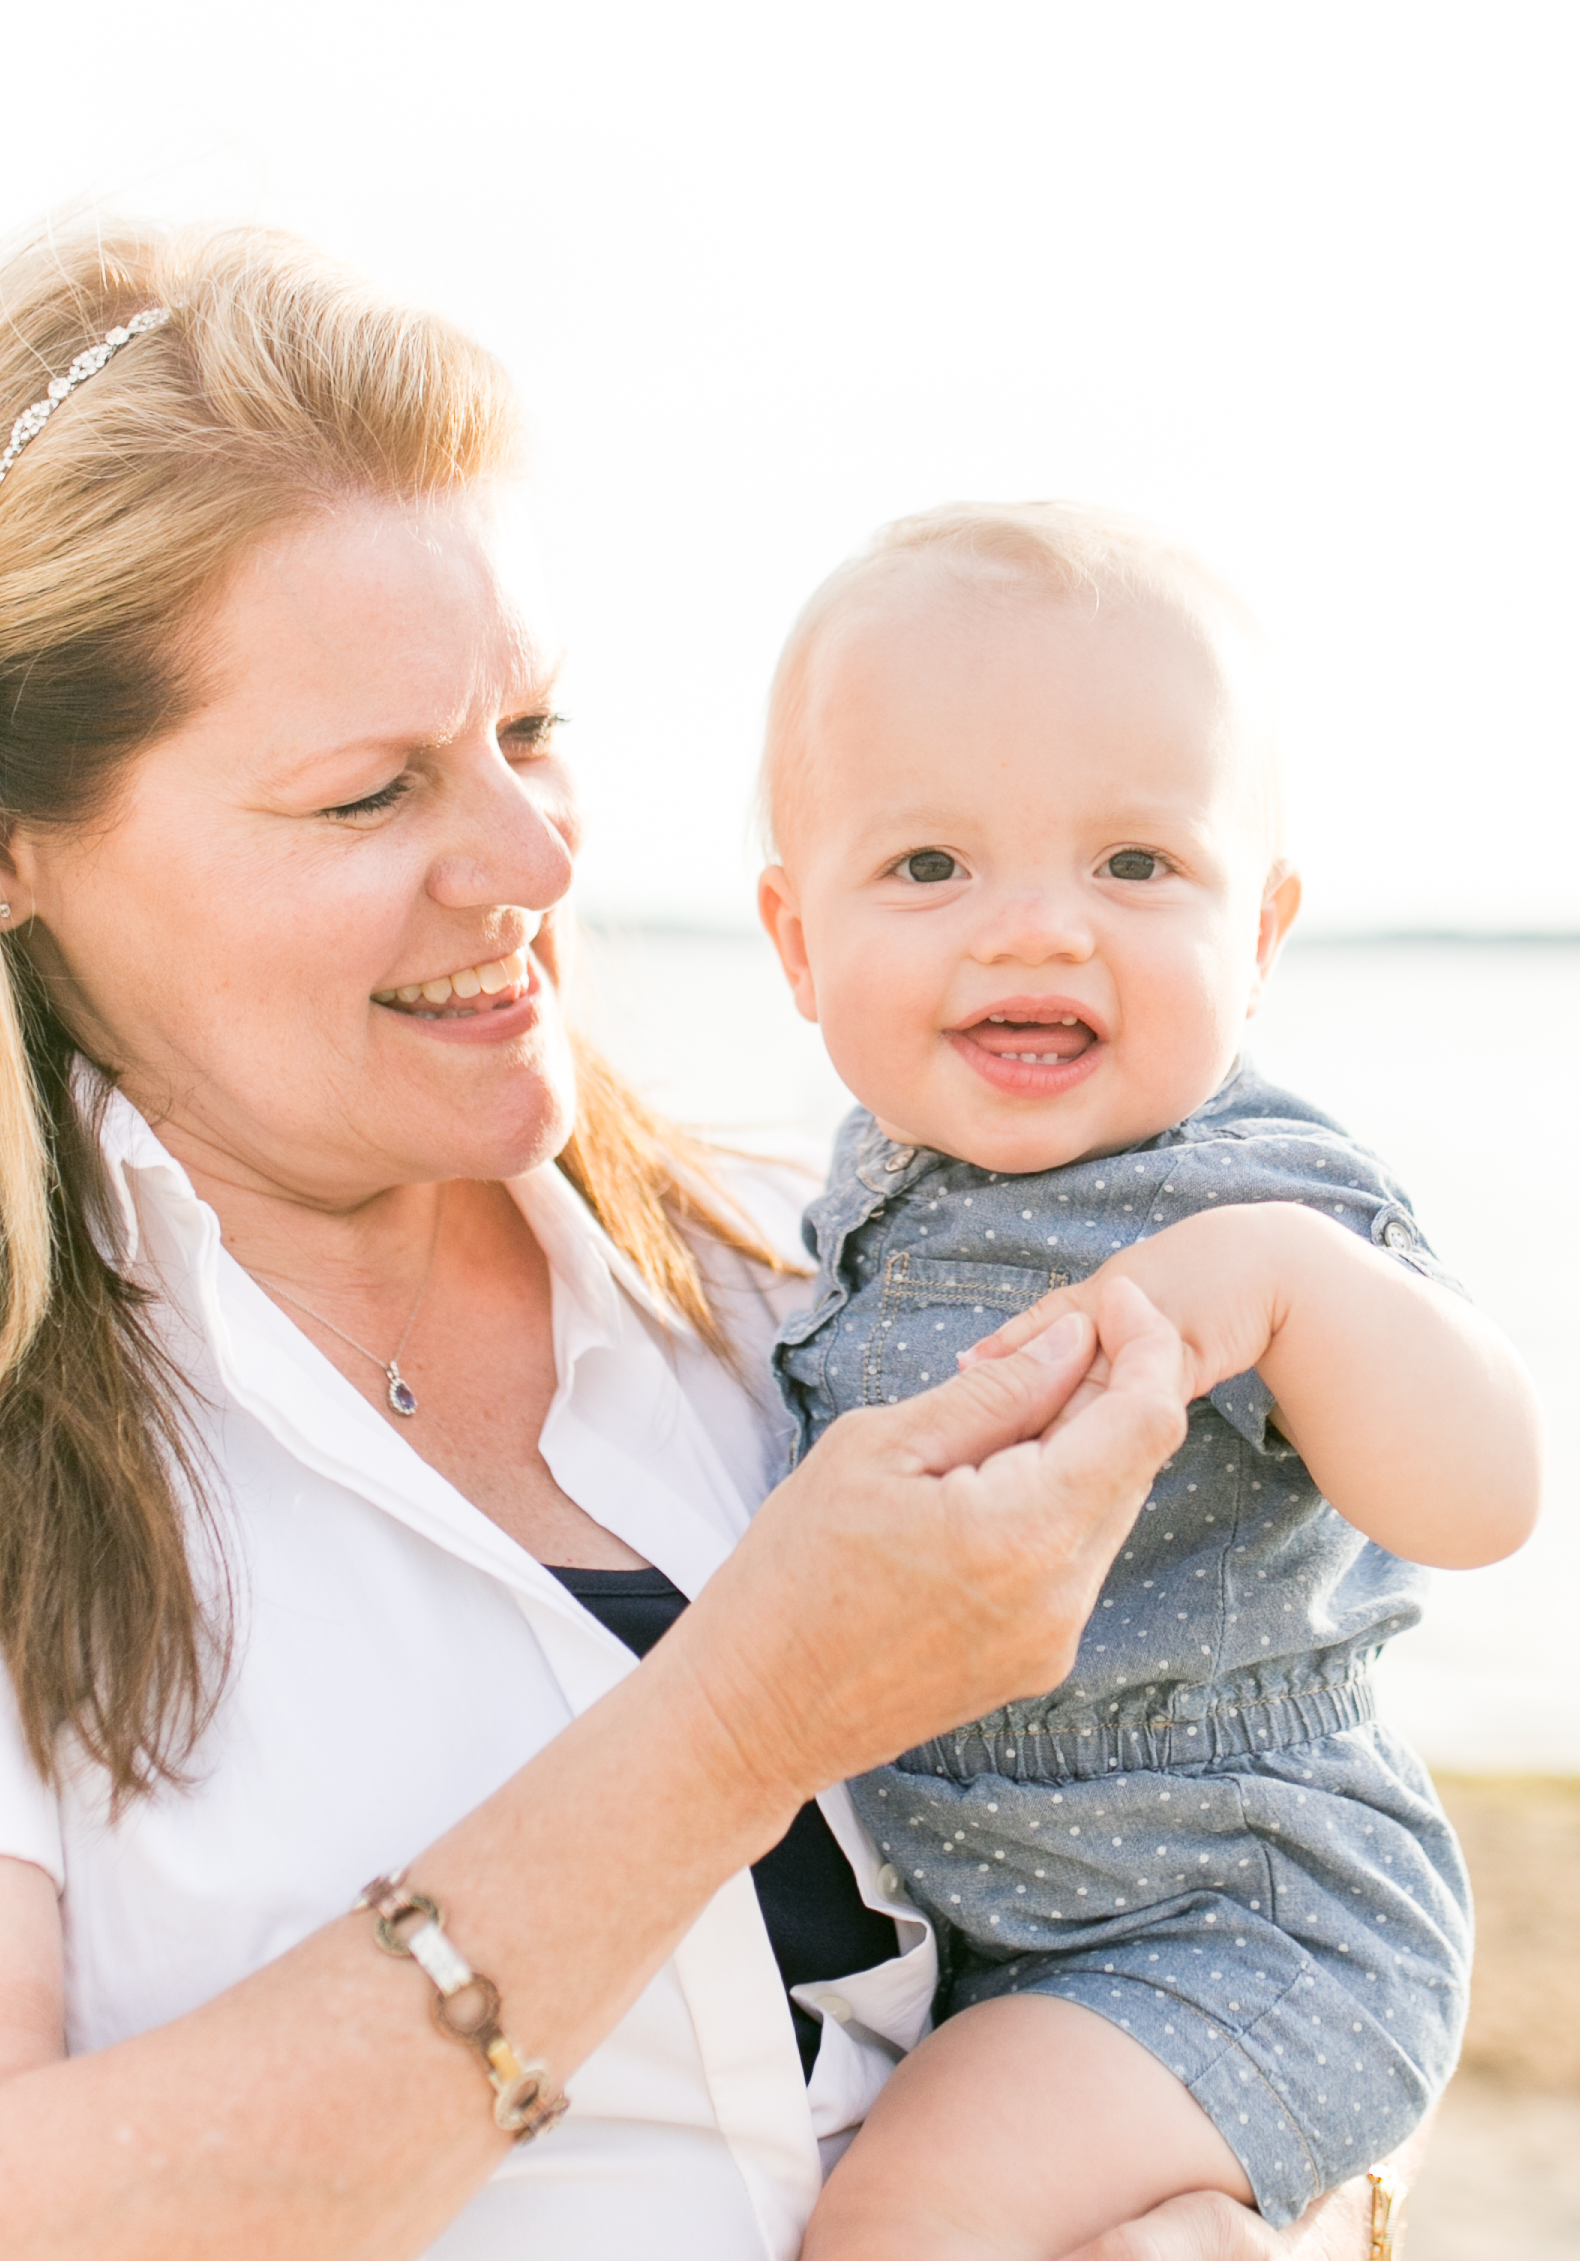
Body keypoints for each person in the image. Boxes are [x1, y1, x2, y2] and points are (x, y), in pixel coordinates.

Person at [0, 226, 1418, 2261]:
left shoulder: (824, 1287)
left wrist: (1244, 2214)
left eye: (535, 730)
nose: (537, 857)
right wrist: (741, 1717)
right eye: (366, 794)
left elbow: (1248, 1897)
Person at [756, 502, 1544, 2258]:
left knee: (903, 2224)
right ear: (795, 944)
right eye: (930, 867)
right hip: (998, 1923)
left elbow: (1487, 1492)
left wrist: (1288, 1290)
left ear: (1259, 932)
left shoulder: (1257, 1192)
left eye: (1133, 866)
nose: (1035, 931)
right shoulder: (868, 1188)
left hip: (1237, 1919)